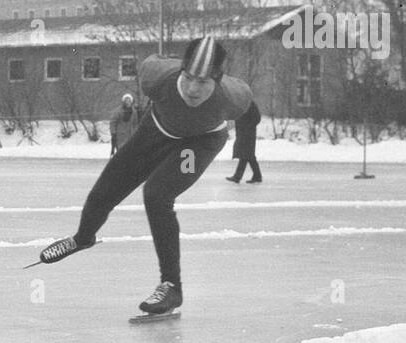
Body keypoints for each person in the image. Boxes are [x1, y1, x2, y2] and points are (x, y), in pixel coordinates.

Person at [38, 37, 252, 314]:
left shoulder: (234, 97)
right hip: (156, 131)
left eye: (204, 82)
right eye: (188, 78)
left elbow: (247, 103)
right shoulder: (156, 76)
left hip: (198, 145)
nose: (193, 89)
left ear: (218, 81)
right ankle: (83, 237)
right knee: (107, 186)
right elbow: (155, 61)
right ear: (180, 71)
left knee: (157, 194)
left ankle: (172, 287)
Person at [227, 99, 263, 183]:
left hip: (248, 133)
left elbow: (257, 118)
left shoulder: (250, 104)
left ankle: (238, 177)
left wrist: (247, 127)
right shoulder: (243, 104)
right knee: (248, 155)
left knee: (246, 155)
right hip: (243, 133)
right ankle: (257, 176)